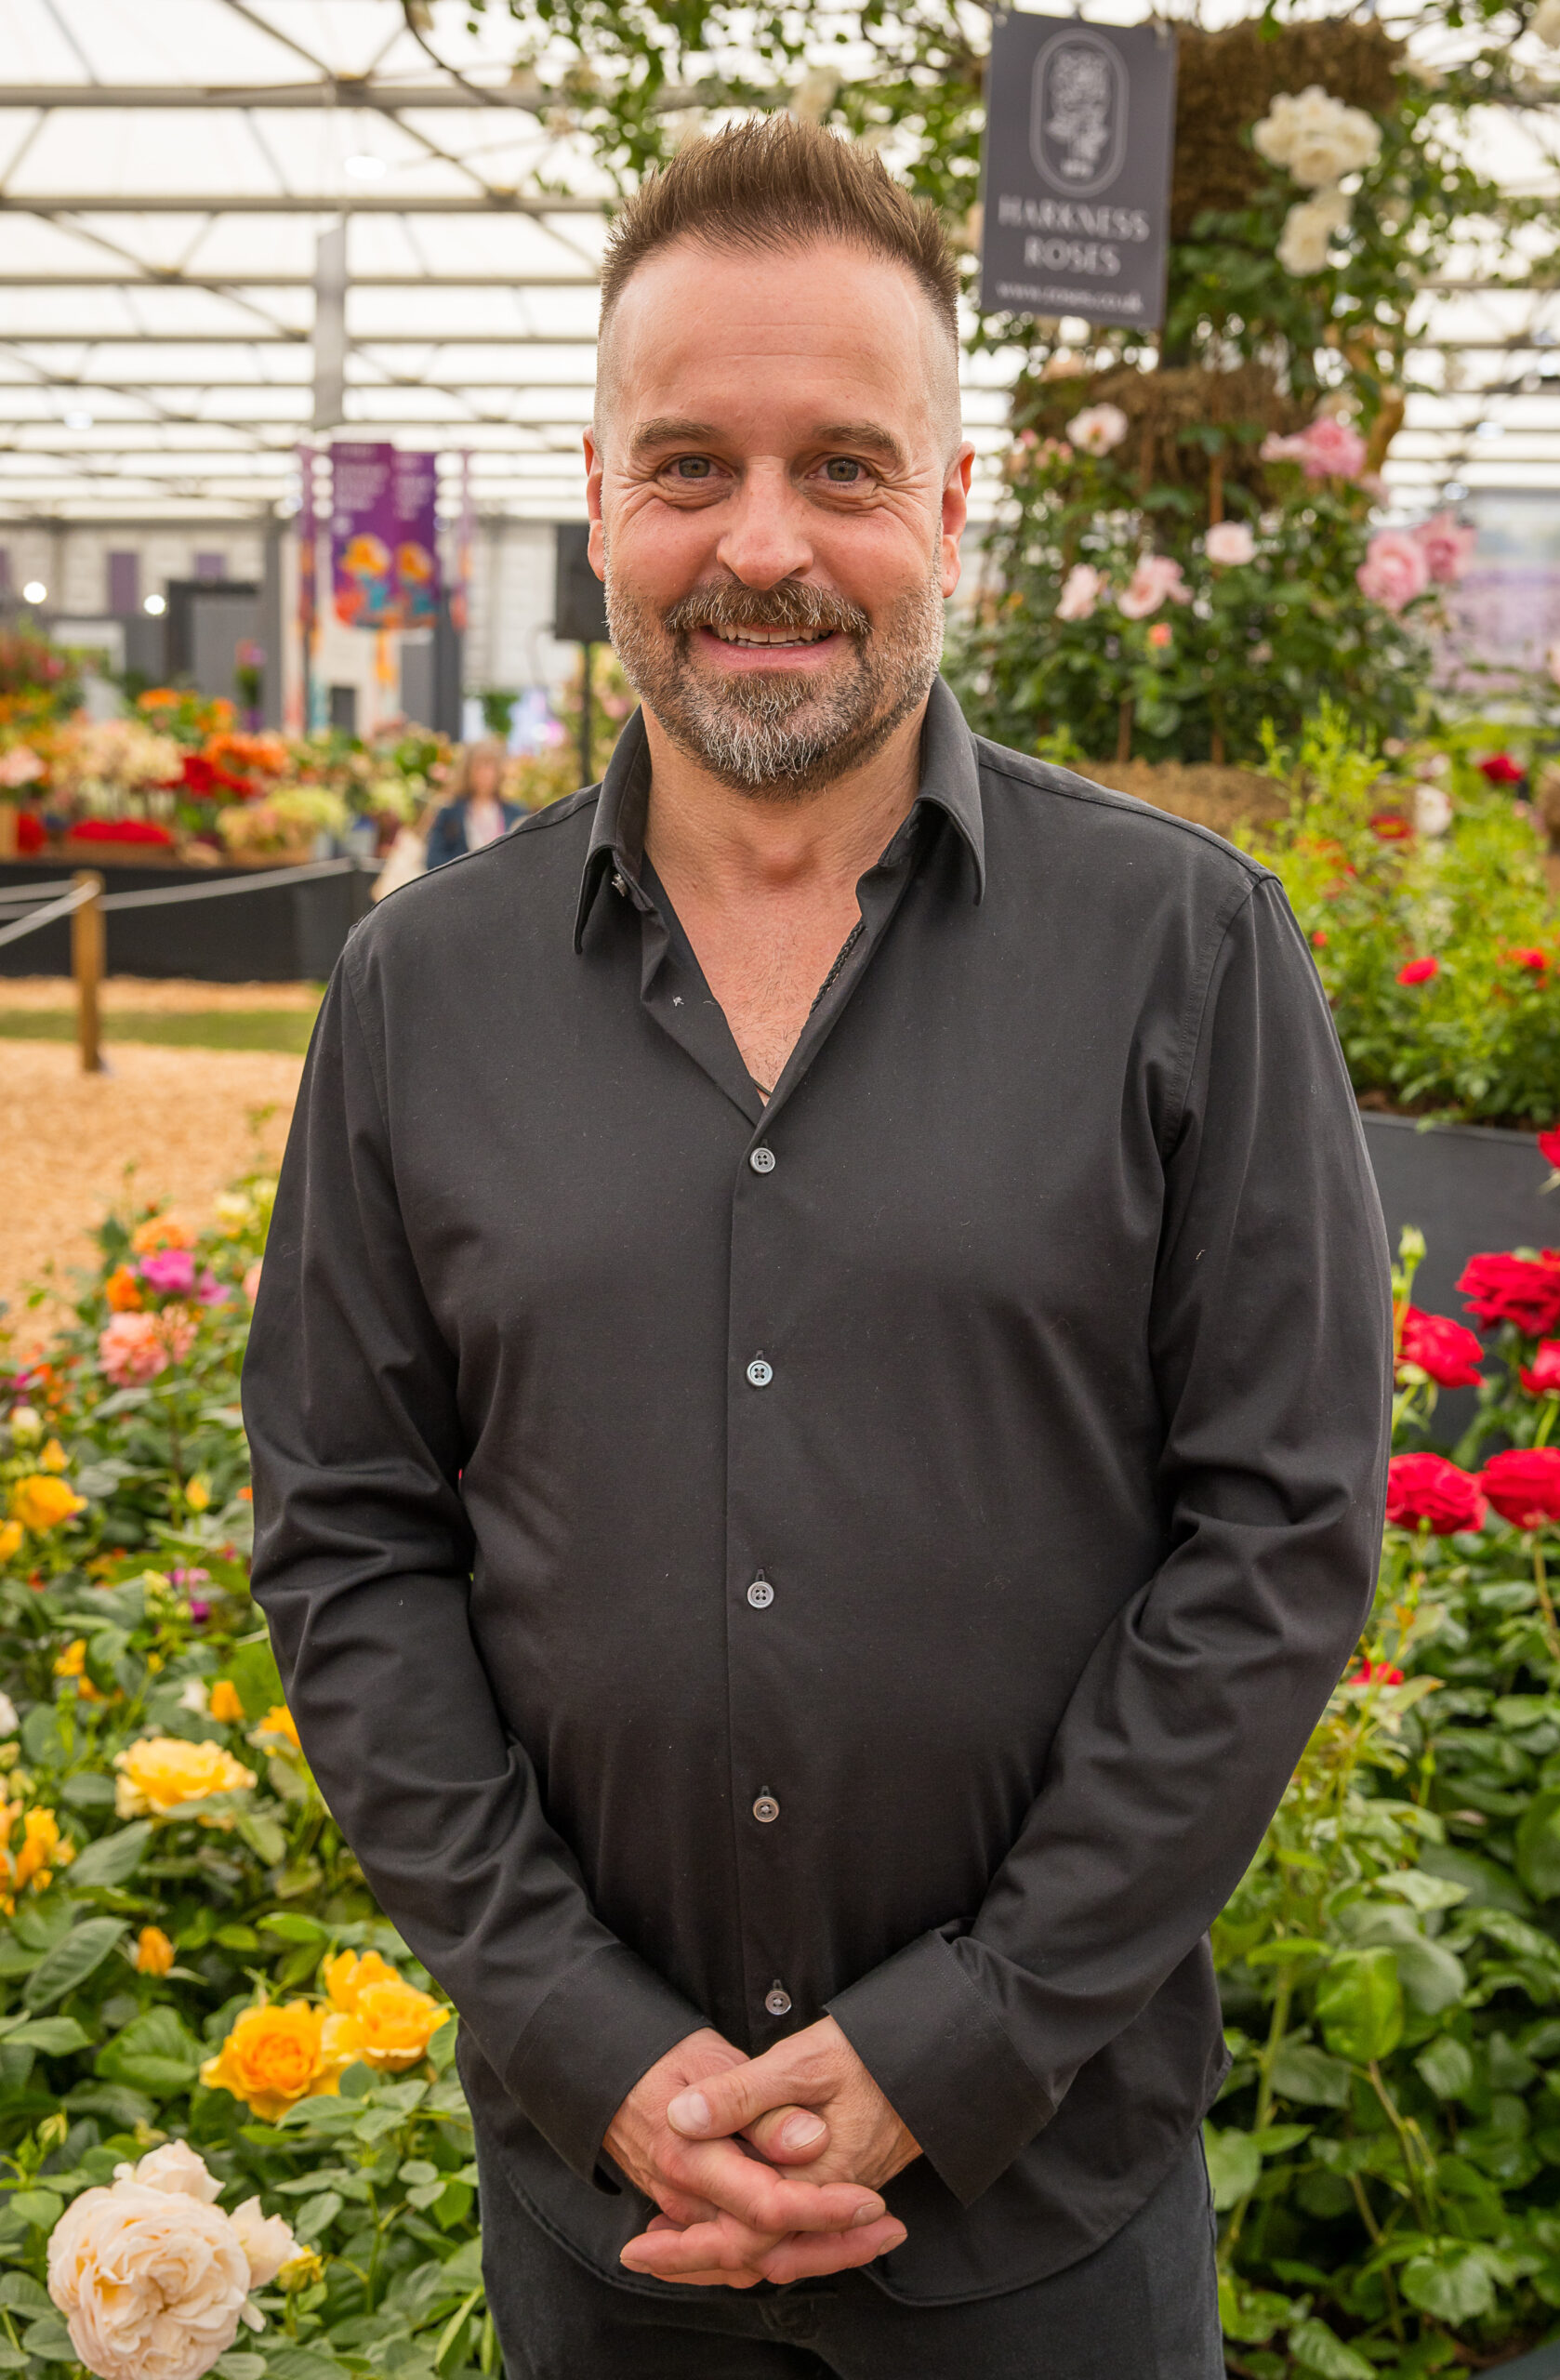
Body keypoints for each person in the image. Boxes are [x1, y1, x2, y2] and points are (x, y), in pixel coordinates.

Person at [243, 117, 1392, 2378]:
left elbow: (1271, 1529)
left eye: (842, 469)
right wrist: (601, 2047)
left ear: (947, 506)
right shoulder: (416, 992)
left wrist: (949, 2041)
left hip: (1039, 2221)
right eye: (688, 466)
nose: (759, 545)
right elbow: (352, 1543)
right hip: (605, 2236)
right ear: (595, 500)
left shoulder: (1182, 952)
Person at [424, 738, 527, 868]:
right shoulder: (450, 812)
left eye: (490, 767)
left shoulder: (515, 812)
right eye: (478, 767)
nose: (485, 774)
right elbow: (433, 860)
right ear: (468, 771)